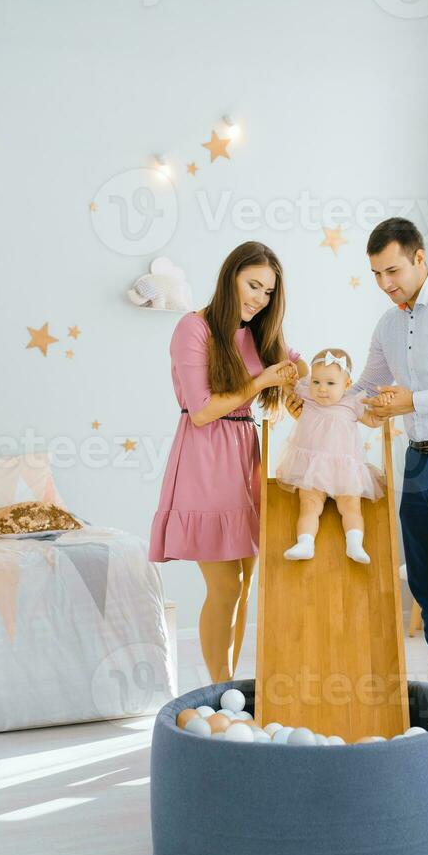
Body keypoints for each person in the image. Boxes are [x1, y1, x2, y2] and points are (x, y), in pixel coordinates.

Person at [287, 218, 428, 723]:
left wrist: (415, 400)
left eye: (392, 270)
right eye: (375, 274)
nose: (386, 283)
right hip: (421, 462)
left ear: (419, 257)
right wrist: (312, 397)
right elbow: (364, 389)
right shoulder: (389, 325)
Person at [149, 241, 305, 682]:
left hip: (244, 458)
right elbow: (201, 410)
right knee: (225, 585)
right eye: (253, 285)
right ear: (230, 276)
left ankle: (231, 687)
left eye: (268, 292)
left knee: (244, 587)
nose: (259, 298)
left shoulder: (257, 333)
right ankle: (218, 688)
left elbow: (298, 368)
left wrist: (316, 383)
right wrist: (262, 381)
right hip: (205, 459)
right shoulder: (193, 328)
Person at [275, 347, 385, 564]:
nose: (322, 389)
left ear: (347, 385)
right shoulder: (307, 396)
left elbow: (372, 420)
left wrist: (383, 411)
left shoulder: (353, 403)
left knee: (350, 506)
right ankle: (305, 543)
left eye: (330, 383)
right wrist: (286, 375)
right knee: (309, 505)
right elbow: (290, 385)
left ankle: (355, 544)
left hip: (344, 470)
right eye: (316, 382)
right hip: (312, 468)